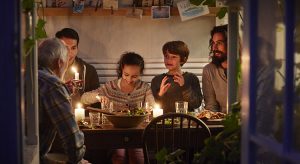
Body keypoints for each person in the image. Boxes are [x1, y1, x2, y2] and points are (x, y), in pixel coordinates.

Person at [81, 52, 154, 164]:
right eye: (126, 74)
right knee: (119, 155)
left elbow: (152, 106)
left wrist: (149, 109)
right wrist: (98, 97)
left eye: (135, 76)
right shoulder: (111, 87)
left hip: (136, 132)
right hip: (115, 133)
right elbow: (83, 98)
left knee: (137, 156)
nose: (129, 80)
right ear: (121, 70)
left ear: (140, 73)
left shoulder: (144, 87)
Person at [38, 38, 87, 163]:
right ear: (59, 63)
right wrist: (79, 159)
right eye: (66, 63)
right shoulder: (53, 85)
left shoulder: (26, 75)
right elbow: (72, 139)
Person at [151, 40, 202, 113]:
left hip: (186, 121)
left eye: (173, 57)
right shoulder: (157, 80)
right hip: (164, 121)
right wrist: (160, 94)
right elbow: (153, 107)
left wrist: (184, 87)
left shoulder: (192, 78)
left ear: (183, 59)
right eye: (166, 56)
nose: (169, 60)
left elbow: (196, 104)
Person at [55, 28, 100, 108]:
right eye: (65, 48)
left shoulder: (89, 71)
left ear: (77, 48)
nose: (69, 53)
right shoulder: (48, 70)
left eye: (73, 48)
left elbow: (96, 104)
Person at [202, 25, 228, 113]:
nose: (214, 48)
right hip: (221, 123)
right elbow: (211, 106)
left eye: (219, 43)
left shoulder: (248, 68)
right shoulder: (209, 70)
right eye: (213, 43)